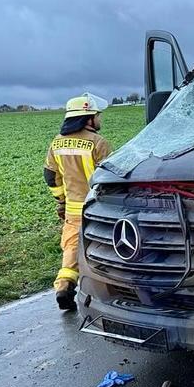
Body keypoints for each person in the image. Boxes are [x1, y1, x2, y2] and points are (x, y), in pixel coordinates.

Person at [44, 94, 112, 311]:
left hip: (73, 209)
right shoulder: (98, 143)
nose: (99, 119)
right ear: (88, 119)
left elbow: (50, 175)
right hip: (98, 207)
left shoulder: (56, 142)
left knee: (71, 249)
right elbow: (110, 176)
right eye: (97, 115)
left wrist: (61, 201)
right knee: (105, 246)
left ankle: (64, 286)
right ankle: (108, 292)